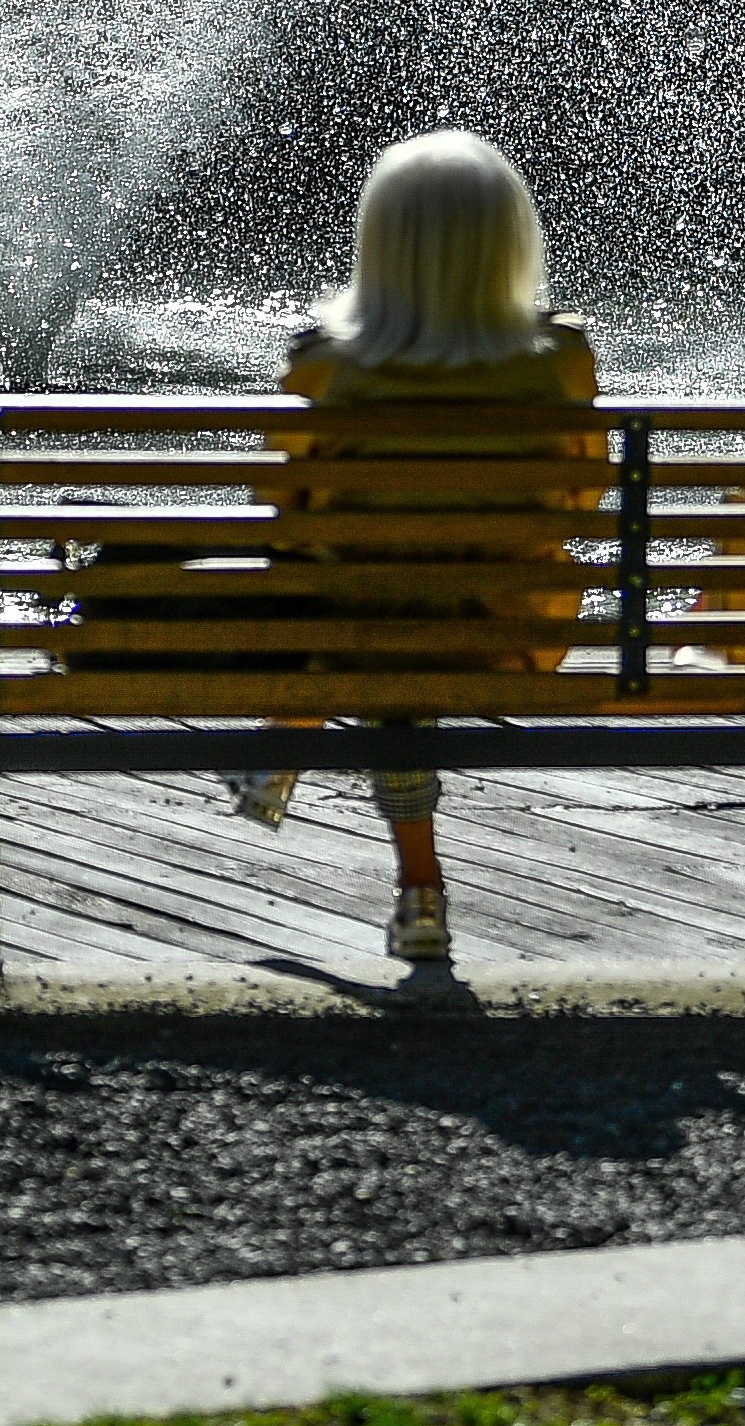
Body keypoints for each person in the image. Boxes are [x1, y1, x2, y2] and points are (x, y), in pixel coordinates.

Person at [226, 126, 605, 968]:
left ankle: (299, 745)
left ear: (380, 239)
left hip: (360, 634)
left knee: (367, 605)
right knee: (410, 612)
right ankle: (408, 882)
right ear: (509, 239)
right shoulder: (561, 360)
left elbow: (282, 510)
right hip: (510, 640)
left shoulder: (327, 364)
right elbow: (581, 503)